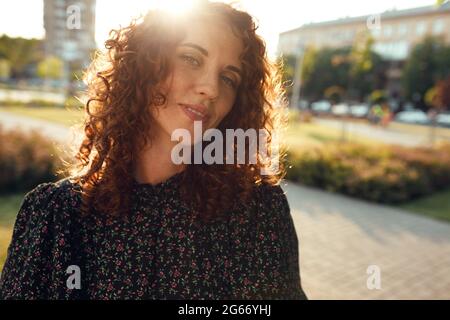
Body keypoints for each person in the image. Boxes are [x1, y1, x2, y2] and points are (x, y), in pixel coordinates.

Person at [0, 1, 307, 300]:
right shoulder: (54, 214)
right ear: (144, 64)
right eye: (191, 58)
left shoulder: (257, 212)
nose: (212, 89)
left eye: (229, 78)